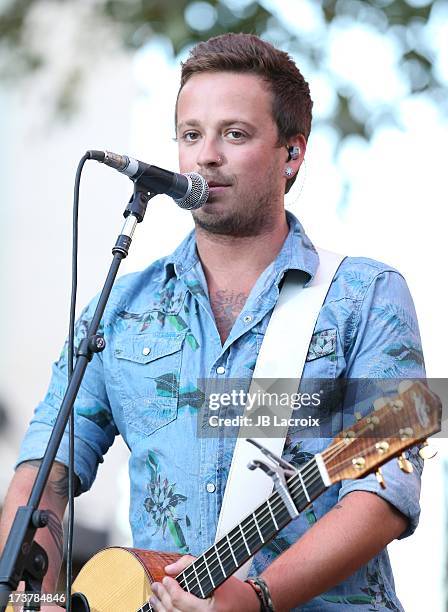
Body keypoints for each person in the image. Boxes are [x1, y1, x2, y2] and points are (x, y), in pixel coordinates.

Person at [0, 33, 426, 611]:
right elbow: (42, 475)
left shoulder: (366, 295)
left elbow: (382, 494)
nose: (206, 156)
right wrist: (35, 599)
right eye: (191, 135)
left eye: (235, 134)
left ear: (292, 154)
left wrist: (253, 599)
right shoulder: (120, 308)